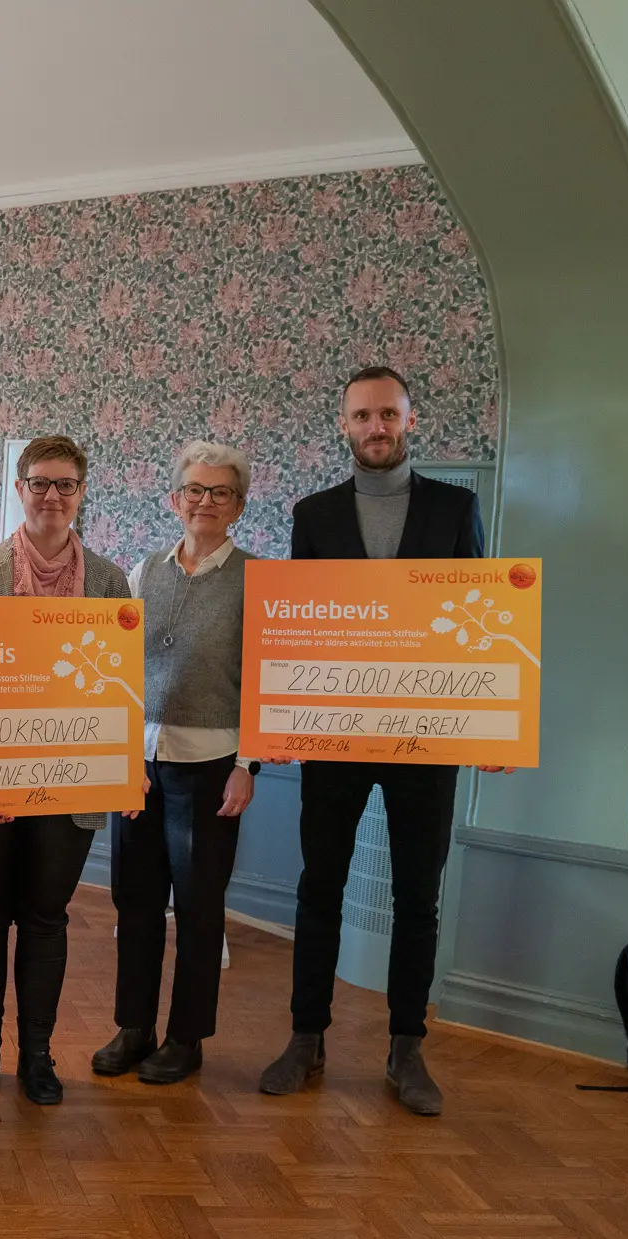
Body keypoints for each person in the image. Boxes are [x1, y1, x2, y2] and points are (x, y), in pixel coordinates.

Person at [258, 365, 503, 1117]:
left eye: (388, 414)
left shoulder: (456, 509)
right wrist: (284, 717)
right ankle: (307, 1037)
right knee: (319, 888)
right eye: (362, 415)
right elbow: (301, 624)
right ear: (344, 424)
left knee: (417, 898)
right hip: (336, 737)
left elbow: (479, 619)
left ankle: (406, 1047)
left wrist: (492, 721)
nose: (376, 427)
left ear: (410, 420)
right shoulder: (314, 514)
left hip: (427, 740)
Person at [0, 435, 130, 1106]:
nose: (53, 496)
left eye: (66, 485)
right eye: (41, 483)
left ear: (81, 494)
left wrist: (121, 764)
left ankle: (38, 1055)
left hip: (71, 781)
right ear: (19, 490)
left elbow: (119, 686)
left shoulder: (110, 582)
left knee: (47, 918)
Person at [97, 441, 257, 1086]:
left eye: (220, 493)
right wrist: (119, 752)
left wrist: (248, 765)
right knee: (134, 901)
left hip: (212, 765)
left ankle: (186, 1038)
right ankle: (133, 1028)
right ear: (174, 500)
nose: (205, 502)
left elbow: (268, 679)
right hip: (139, 763)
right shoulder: (143, 573)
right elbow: (117, 670)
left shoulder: (258, 580)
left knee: (198, 906)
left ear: (238, 507)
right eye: (194, 489)